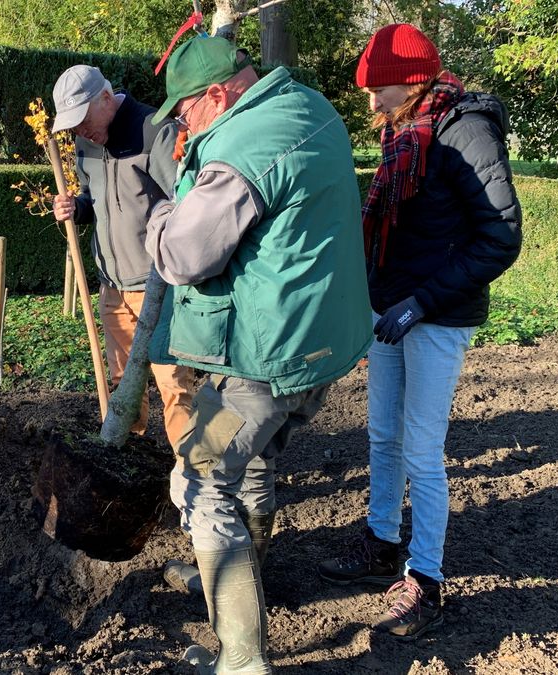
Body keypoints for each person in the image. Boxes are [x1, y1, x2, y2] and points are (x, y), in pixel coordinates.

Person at [146, 36, 373, 674]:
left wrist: (163, 211)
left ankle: (242, 659)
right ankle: (238, 575)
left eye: (185, 112)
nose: (183, 127)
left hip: (264, 357)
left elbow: (183, 255)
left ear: (218, 96)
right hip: (318, 345)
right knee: (250, 463)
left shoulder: (242, 150)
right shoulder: (308, 106)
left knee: (198, 478)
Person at [317, 23, 522, 639]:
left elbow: (501, 237)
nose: (370, 101)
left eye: (377, 88)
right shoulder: (405, 130)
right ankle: (382, 542)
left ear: (411, 81)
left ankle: (425, 580)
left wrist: (423, 301)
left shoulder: (466, 130)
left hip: (438, 315)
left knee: (423, 451)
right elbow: (393, 228)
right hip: (391, 309)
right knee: (383, 435)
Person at [49, 65, 195, 447]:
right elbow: (93, 200)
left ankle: (192, 469)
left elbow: (186, 205)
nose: (79, 131)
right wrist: (76, 208)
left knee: (173, 384)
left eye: (82, 120)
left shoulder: (153, 130)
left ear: (105, 98)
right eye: (72, 125)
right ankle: (132, 461)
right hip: (112, 287)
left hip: (158, 286)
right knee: (123, 383)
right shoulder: (86, 143)